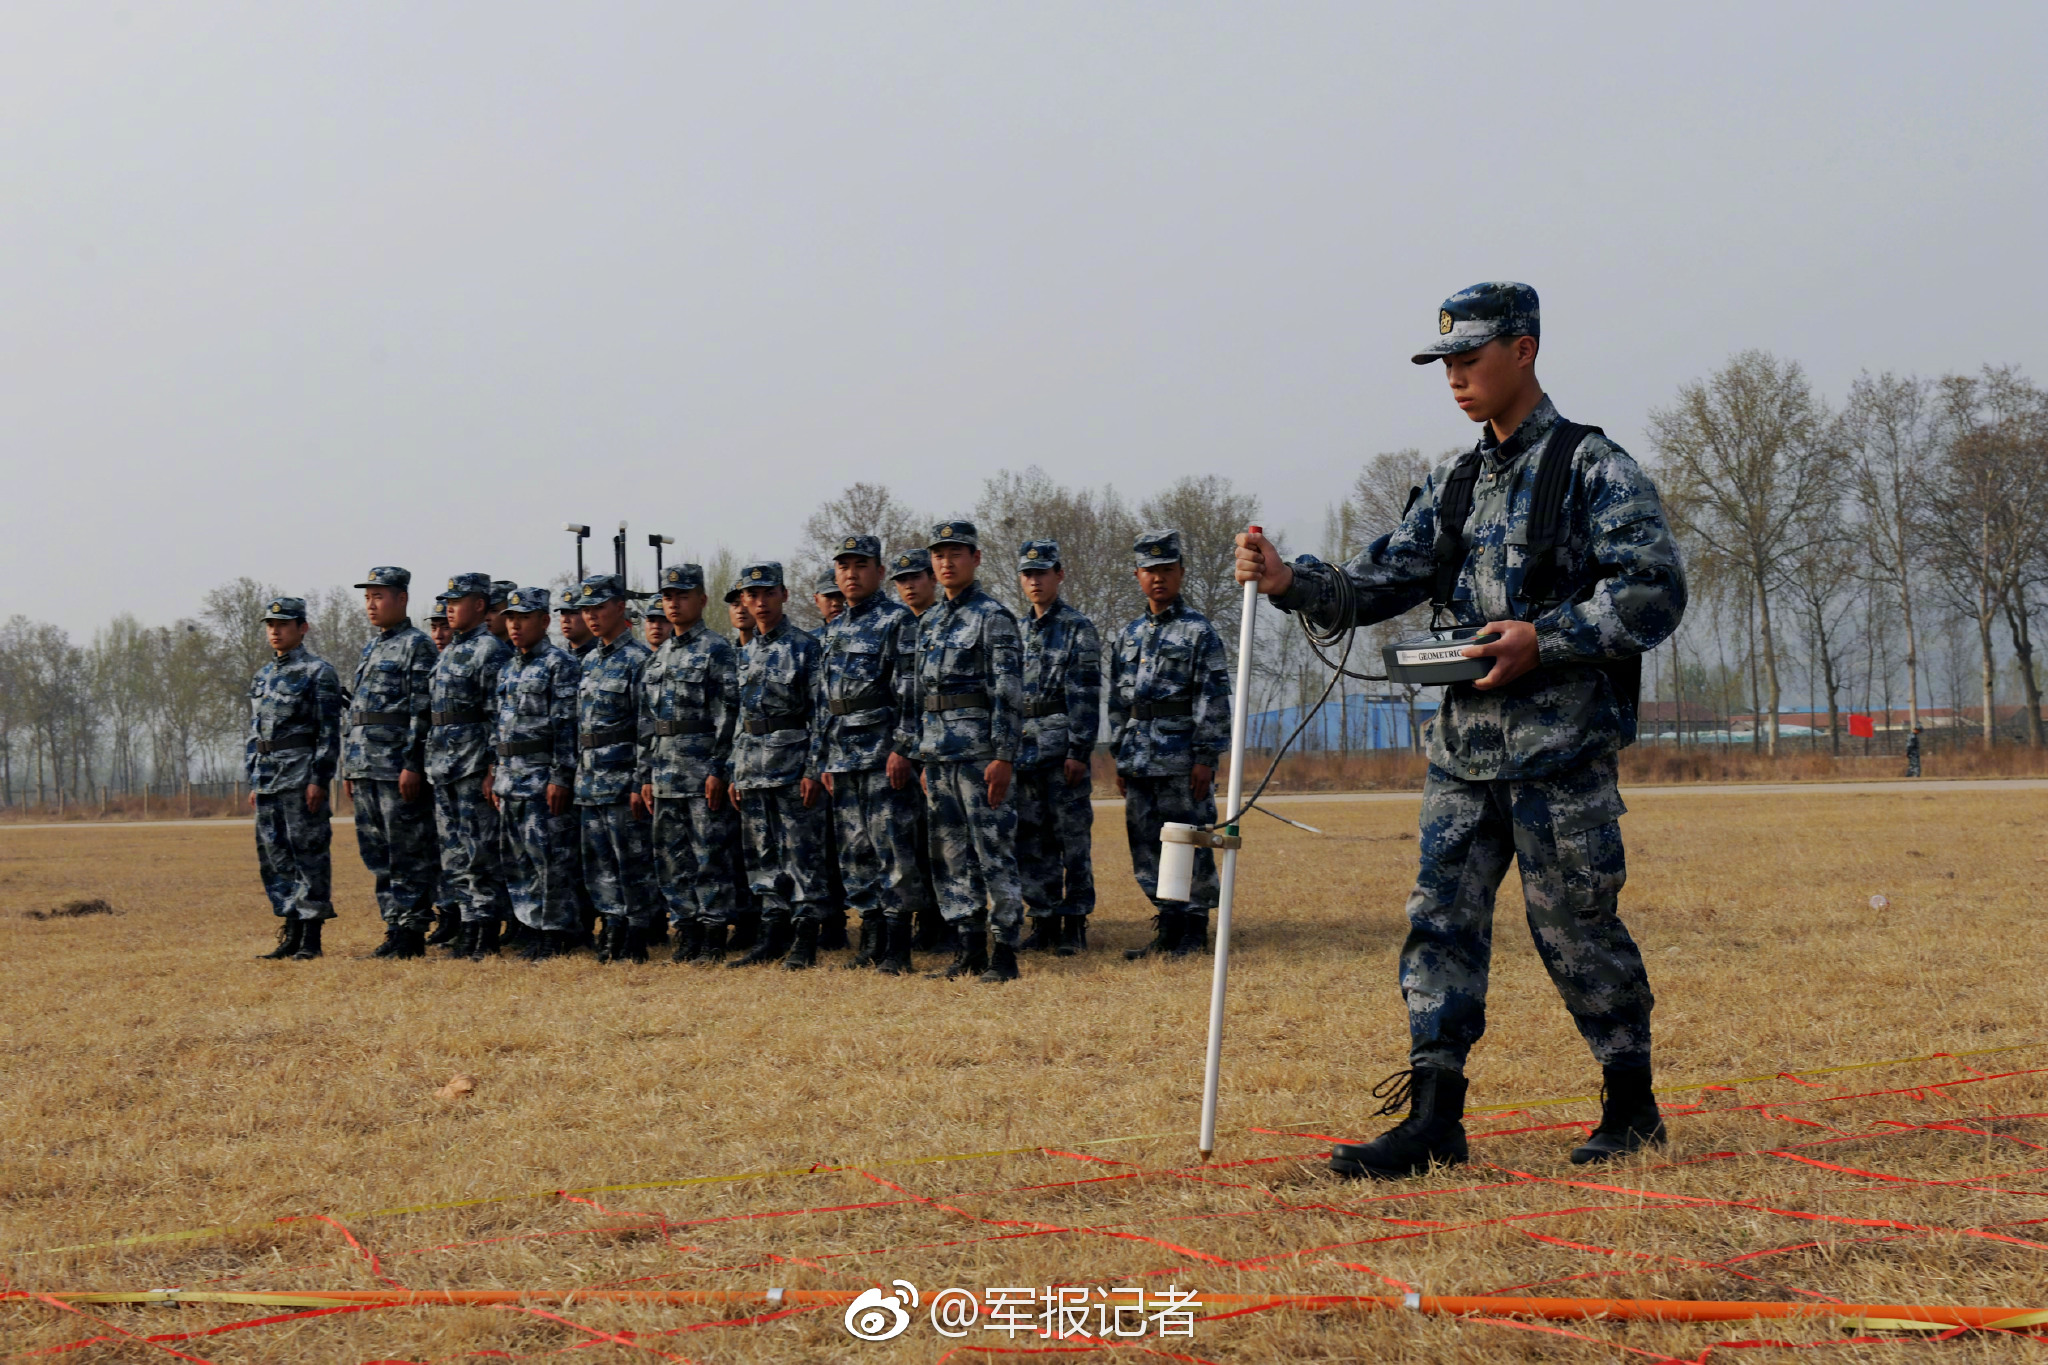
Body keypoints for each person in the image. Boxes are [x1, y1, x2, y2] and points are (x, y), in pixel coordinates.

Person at [1233, 281, 1686, 1179]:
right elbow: (1376, 580)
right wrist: (1290, 580)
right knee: (1438, 925)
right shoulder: (1454, 483)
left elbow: (1654, 591)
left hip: (1559, 753)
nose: (1455, 378)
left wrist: (1544, 639)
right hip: (1464, 753)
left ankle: (1630, 1105)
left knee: (1578, 927)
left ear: (1524, 349)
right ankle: (1435, 1116)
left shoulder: (1595, 468)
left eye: (1470, 359)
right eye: (1445, 363)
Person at [905, 520, 1026, 983]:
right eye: (939, 554)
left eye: (956, 553)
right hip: (938, 759)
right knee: (951, 856)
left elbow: (1009, 692)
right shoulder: (930, 621)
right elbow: (919, 696)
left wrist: (1004, 756)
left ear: (975, 558)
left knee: (993, 852)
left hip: (980, 757)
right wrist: (921, 753)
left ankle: (1005, 954)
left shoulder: (993, 617)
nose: (946, 561)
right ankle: (969, 948)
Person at [1108, 530, 1230, 961]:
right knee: (1146, 846)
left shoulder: (1199, 633)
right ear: (1137, 575)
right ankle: (1167, 926)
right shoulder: (1128, 636)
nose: (1157, 578)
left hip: (1181, 760)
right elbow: (1118, 702)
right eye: (1149, 570)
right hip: (1139, 760)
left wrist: (1205, 757)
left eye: (1166, 569)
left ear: (1180, 572)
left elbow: (1213, 698)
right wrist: (1119, 757)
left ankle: (1194, 928)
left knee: (1191, 842)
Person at [815, 535, 922, 973]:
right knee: (855, 851)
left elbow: (911, 691)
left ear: (879, 572)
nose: (851, 574)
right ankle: (872, 939)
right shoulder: (835, 629)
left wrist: (902, 747)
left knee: (892, 847)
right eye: (843, 567)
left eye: (860, 566)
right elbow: (825, 700)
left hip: (881, 754)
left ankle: (898, 947)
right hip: (842, 757)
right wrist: (822, 757)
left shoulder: (897, 622)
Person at [727, 561, 834, 968]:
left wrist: (812, 769)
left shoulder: (806, 647)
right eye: (751, 595)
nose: (760, 602)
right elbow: (740, 717)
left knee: (801, 855)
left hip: (791, 765)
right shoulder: (745, 652)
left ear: (784, 595)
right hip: (752, 768)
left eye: (768, 593)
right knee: (763, 857)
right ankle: (772, 933)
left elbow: (821, 713)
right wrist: (735, 769)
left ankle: (806, 936)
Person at [639, 562, 743, 963]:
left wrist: (719, 768)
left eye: (683, 595)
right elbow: (647, 724)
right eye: (668, 596)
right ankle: (686, 931)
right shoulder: (658, 656)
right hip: (664, 773)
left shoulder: (716, 650)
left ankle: (714, 932)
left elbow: (728, 715)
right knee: (671, 857)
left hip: (701, 773)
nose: (674, 603)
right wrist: (645, 774)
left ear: (701, 599)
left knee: (709, 855)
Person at [342, 566, 439, 958]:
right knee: (377, 854)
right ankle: (393, 925)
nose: (371, 604)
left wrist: (413, 764)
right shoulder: (372, 647)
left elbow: (423, 709)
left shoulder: (418, 646)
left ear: (402, 599)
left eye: (378, 596)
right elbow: (358, 716)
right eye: (367, 597)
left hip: (395, 769)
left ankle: (412, 932)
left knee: (408, 853)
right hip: (366, 767)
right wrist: (349, 766)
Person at [1012, 539, 1103, 956]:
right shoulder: (1015, 630)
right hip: (1023, 754)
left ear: (1059, 575)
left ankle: (1075, 922)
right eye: (1028, 574)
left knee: (1072, 842)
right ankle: (1044, 920)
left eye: (1042, 573)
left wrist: (1079, 751)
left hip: (1061, 750)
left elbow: (1084, 694)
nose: (1035, 581)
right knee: (1032, 841)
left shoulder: (1077, 628)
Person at [246, 596, 345, 960]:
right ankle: (289, 930)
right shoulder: (263, 676)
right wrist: (254, 778)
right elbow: (254, 733)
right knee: (275, 857)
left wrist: (320, 778)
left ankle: (311, 938)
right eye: (271, 625)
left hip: (300, 776)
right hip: (269, 776)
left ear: (302, 628)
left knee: (309, 854)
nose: (275, 631)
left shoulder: (319, 673)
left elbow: (328, 732)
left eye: (283, 625)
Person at [487, 587, 583, 959]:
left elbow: (566, 727)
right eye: (510, 618)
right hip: (511, 779)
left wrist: (561, 776)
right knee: (518, 860)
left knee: (551, 859)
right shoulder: (508, 667)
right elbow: (499, 728)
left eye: (523, 618)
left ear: (544, 621)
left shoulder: (560, 665)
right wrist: (497, 773)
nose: (514, 625)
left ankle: (555, 931)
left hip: (541, 779)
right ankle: (530, 926)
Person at [572, 573, 660, 962]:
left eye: (599, 607)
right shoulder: (589, 661)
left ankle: (636, 933)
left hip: (623, 777)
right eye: (586, 609)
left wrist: (641, 780)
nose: (591, 616)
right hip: (591, 780)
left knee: (633, 862)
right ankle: (612, 924)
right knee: (599, 864)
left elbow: (647, 727)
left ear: (620, 608)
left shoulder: (639, 660)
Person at [427, 573, 515, 960]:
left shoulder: (489, 650)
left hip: (473, 766)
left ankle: (486, 931)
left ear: (479, 605)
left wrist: (494, 767)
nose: (449, 608)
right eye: (447, 601)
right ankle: (467, 926)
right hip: (443, 766)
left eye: (457, 601)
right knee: (454, 855)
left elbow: (500, 715)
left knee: (480, 852)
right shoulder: (449, 651)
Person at [888, 547, 947, 951]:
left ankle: (946, 923)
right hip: (900, 751)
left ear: (933, 580)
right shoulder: (896, 628)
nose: (909, 585)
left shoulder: (947, 623)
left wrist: (924, 754)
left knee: (943, 843)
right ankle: (921, 920)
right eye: (902, 580)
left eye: (916, 577)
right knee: (906, 841)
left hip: (941, 750)